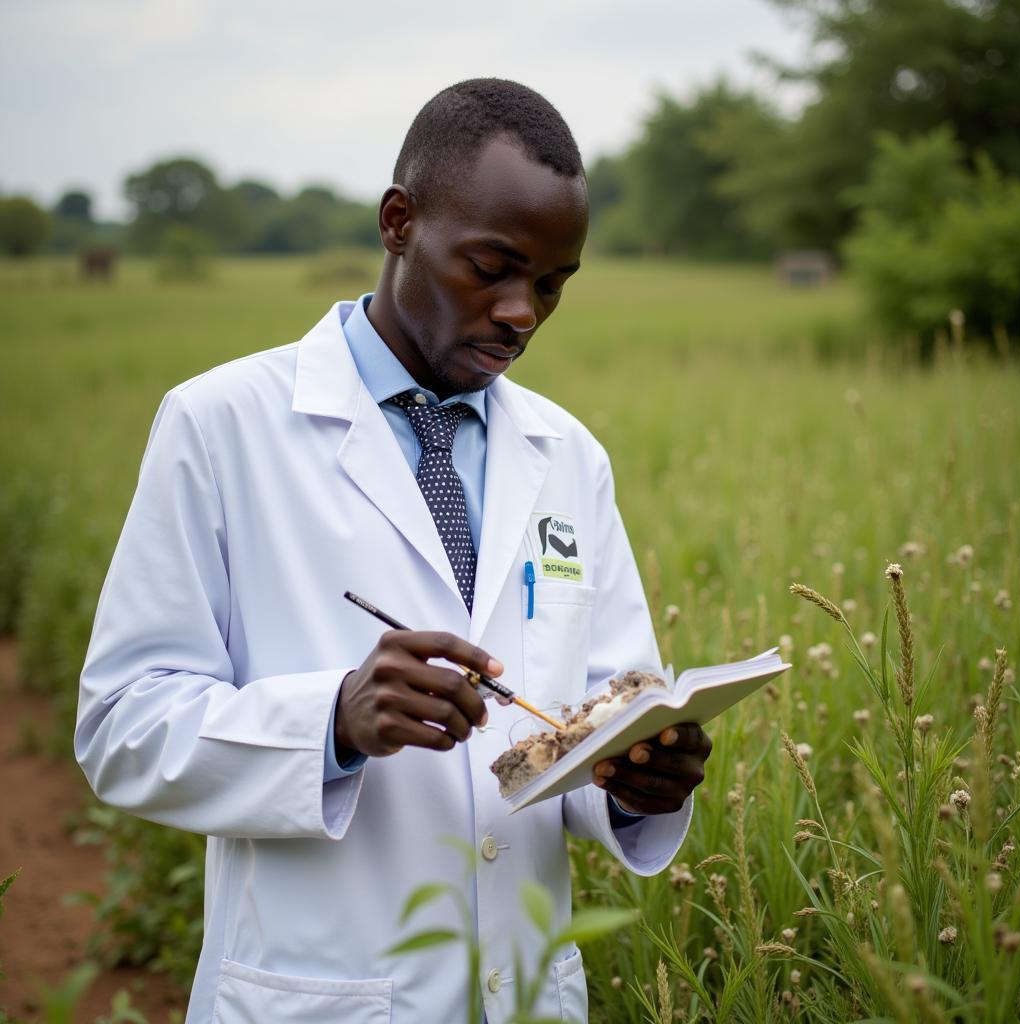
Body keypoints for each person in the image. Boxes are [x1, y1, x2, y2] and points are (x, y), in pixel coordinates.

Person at [76, 79, 712, 1024]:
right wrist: (331, 719)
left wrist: (634, 780)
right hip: (317, 992)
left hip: (526, 994)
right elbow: (121, 726)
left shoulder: (568, 454)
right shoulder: (219, 426)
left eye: (550, 285)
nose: (520, 312)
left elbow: (593, 708)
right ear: (399, 221)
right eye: (491, 267)